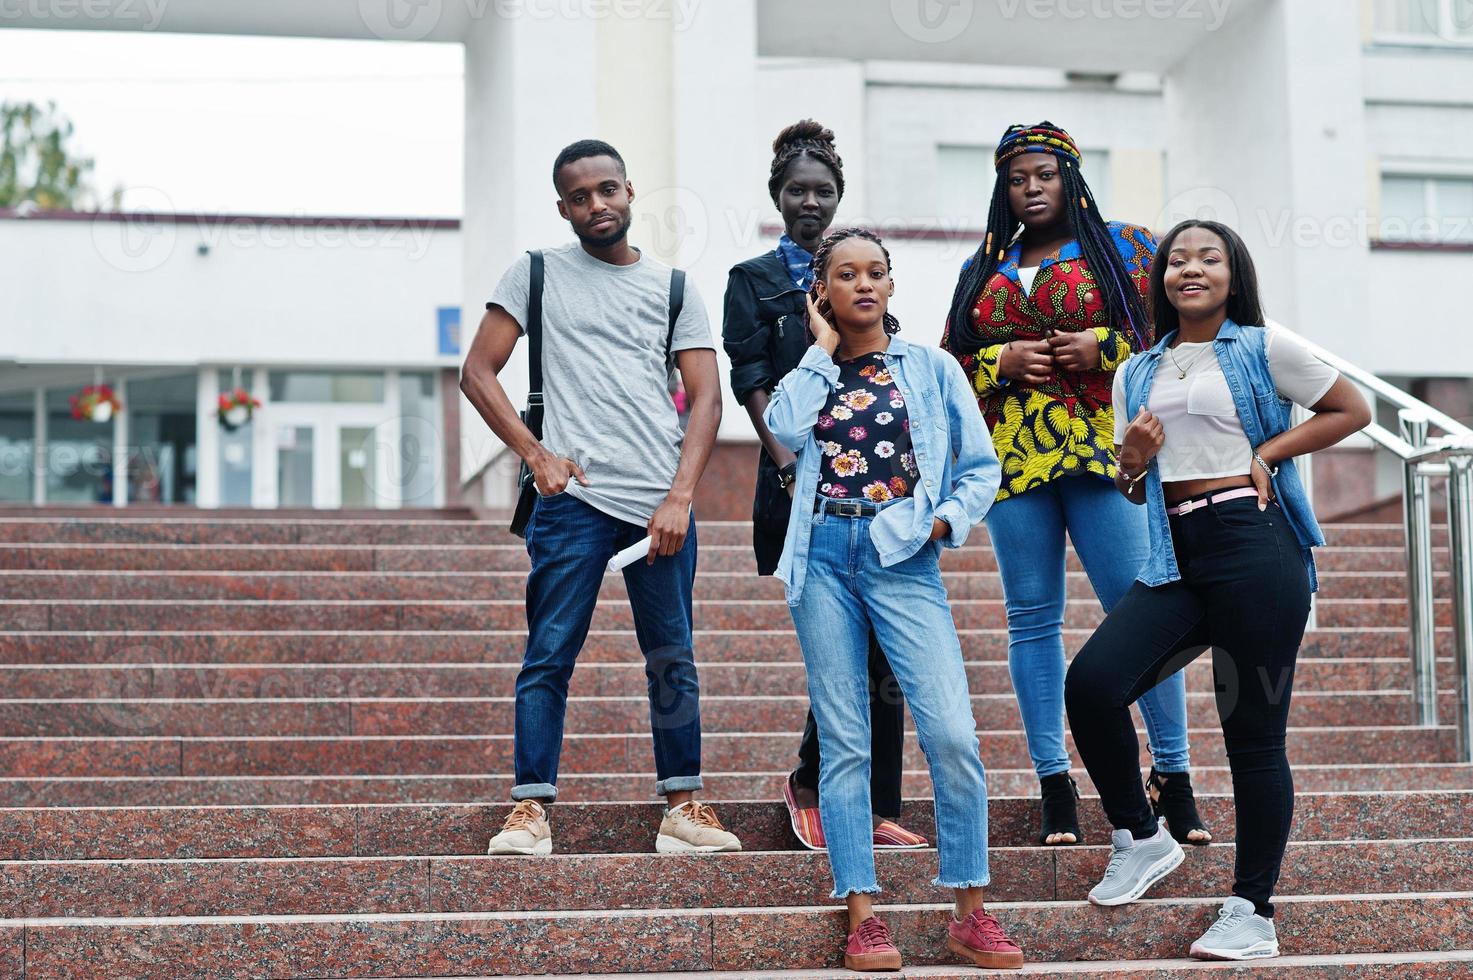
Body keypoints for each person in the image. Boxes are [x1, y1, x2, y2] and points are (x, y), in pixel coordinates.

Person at [1064, 220, 1371, 960]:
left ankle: (1251, 911)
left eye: (1208, 258)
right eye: (1176, 260)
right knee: (1093, 685)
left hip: (1253, 550)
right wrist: (1130, 462)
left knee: (1251, 736)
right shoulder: (1136, 369)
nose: (1189, 270)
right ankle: (1141, 837)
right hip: (1175, 556)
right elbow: (1132, 489)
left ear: (1233, 274)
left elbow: (1352, 410)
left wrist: (1267, 451)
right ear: (1161, 278)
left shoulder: (1263, 348)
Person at [461, 139, 740, 857]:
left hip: (657, 506)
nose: (596, 205)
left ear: (628, 192)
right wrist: (535, 455)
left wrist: (680, 496)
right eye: (580, 197)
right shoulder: (535, 273)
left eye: (607, 190)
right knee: (548, 653)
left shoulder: (674, 287)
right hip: (573, 501)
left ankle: (681, 808)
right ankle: (529, 810)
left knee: (670, 656)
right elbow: (478, 372)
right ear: (565, 207)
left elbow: (707, 399)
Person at [941, 121, 1208, 848]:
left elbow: (1175, 335)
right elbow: (945, 368)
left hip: (1104, 453)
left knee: (1140, 610)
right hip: (1014, 461)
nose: (1030, 189)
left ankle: (1174, 775)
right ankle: (1053, 781)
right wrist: (996, 363)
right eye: (1016, 178)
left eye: (1043, 174)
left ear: (1069, 176)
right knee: (1031, 618)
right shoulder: (982, 266)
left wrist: (1103, 346)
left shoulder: (1123, 246)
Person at [765, 227, 1023, 972]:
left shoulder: (931, 368)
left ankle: (969, 911)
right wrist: (818, 349)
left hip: (902, 556)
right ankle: (862, 916)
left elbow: (980, 468)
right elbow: (781, 430)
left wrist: (941, 521)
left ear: (890, 282)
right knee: (845, 743)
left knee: (951, 734)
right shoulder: (810, 374)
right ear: (824, 291)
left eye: (875, 272)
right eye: (846, 275)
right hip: (820, 560)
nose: (864, 285)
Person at [722, 120, 926, 852]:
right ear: (776, 195)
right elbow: (751, 382)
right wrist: (785, 463)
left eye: (824, 192)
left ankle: (874, 803)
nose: (810, 202)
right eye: (797, 191)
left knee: (886, 648)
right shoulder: (752, 281)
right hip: (797, 486)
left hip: (875, 495)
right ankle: (813, 783)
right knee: (838, 641)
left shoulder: (856, 273)